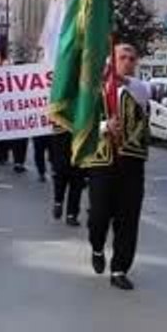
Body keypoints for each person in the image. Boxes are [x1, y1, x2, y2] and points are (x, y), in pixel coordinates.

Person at [83, 44, 150, 291]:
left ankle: (120, 268)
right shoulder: (95, 90)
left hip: (132, 163)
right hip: (102, 162)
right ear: (112, 59)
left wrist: (119, 86)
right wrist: (104, 127)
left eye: (132, 58)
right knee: (99, 215)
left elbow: (140, 111)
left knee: (128, 218)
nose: (128, 61)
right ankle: (97, 246)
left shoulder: (140, 89)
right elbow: (84, 124)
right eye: (122, 57)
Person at [49, 126, 86, 226]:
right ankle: (59, 203)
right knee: (63, 180)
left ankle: (70, 213)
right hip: (64, 141)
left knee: (75, 183)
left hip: (77, 143)